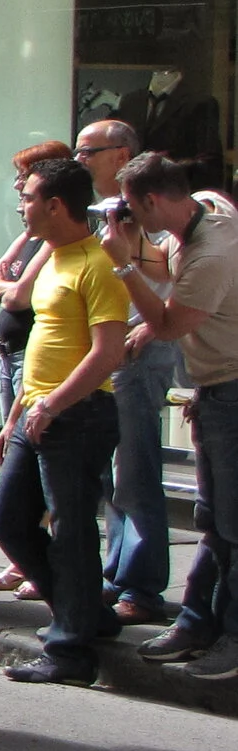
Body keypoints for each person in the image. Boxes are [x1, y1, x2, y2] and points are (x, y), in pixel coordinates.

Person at [0, 156, 130, 686]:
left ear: (54, 205)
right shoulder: (54, 258)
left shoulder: (98, 264)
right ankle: (86, 615)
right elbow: (45, 346)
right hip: (39, 414)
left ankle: (71, 650)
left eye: (26, 197)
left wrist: (52, 405)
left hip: (78, 416)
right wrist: (21, 412)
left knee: (71, 533)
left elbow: (107, 353)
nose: (21, 205)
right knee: (8, 522)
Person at [102, 153, 238, 680]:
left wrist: (121, 264)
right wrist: (137, 248)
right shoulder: (207, 208)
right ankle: (198, 622)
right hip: (215, 388)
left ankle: (230, 636)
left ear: (153, 201)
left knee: (231, 525)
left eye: (134, 208)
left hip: (230, 389)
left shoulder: (212, 256)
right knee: (213, 521)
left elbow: (165, 320)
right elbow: (167, 264)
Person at [73, 119, 180, 627]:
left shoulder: (153, 209)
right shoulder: (100, 213)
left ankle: (140, 584)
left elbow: (177, 275)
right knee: (112, 470)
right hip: (106, 346)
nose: (80, 161)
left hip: (140, 345)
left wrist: (151, 329)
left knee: (135, 468)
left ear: (120, 156)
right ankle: (118, 572)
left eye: (87, 152)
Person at [0, 139, 72, 594]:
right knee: (13, 465)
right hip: (10, 355)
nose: (18, 192)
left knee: (39, 474)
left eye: (26, 184)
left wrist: (3, 286)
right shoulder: (31, 236)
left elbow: (14, 293)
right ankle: (25, 561)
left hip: (32, 363)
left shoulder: (59, 245)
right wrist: (0, 285)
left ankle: (41, 566)